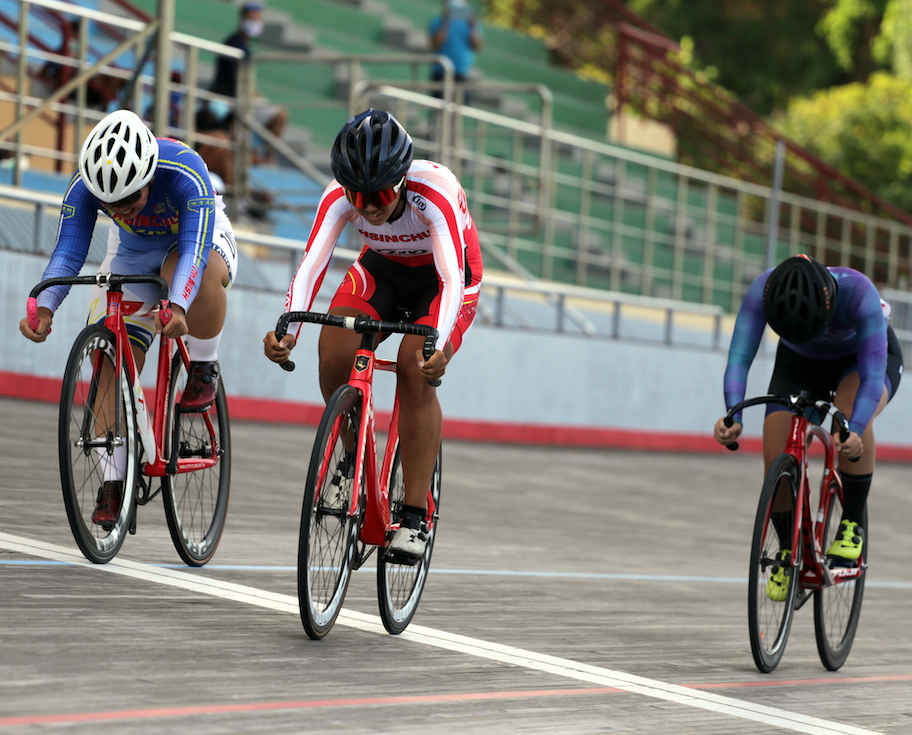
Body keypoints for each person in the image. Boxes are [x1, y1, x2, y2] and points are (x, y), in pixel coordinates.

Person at [263, 109, 483, 557]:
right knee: (335, 350)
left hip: (445, 280)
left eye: (380, 193)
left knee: (414, 368)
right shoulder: (340, 197)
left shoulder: (434, 191)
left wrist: (436, 344)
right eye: (357, 197)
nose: (368, 207)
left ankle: (416, 515)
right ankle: (349, 460)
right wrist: (289, 327)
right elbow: (312, 263)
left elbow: (450, 278)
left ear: (401, 180)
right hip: (383, 270)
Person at [19, 108, 239, 527]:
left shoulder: (184, 170)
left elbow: (193, 251)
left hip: (193, 240)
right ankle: (114, 479)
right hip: (133, 252)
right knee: (109, 355)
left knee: (194, 271)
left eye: (130, 199)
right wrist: (44, 308)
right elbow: (68, 253)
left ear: (149, 177)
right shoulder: (85, 186)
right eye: (111, 204)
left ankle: (204, 364)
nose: (123, 208)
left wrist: (176, 306)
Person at [713, 254, 902, 598]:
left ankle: (851, 524)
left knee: (847, 418)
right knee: (775, 452)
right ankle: (788, 549)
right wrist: (732, 415)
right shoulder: (762, 288)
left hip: (862, 360)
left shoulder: (859, 292)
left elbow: (873, 377)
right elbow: (739, 357)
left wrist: (855, 428)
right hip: (800, 362)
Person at [209, 1, 288, 164]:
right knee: (280, 115)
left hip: (237, 98)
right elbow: (238, 82)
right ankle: (267, 157)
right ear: (242, 19)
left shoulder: (242, 44)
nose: (255, 23)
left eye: (258, 19)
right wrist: (254, 96)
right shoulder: (235, 44)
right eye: (251, 19)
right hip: (231, 100)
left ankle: (260, 156)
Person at [428, 0, 483, 104]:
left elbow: (477, 46)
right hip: (440, 73)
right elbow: (436, 44)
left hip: (461, 74)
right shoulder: (437, 22)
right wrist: (446, 22)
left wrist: (472, 27)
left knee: (457, 110)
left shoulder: (471, 25)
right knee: (438, 107)